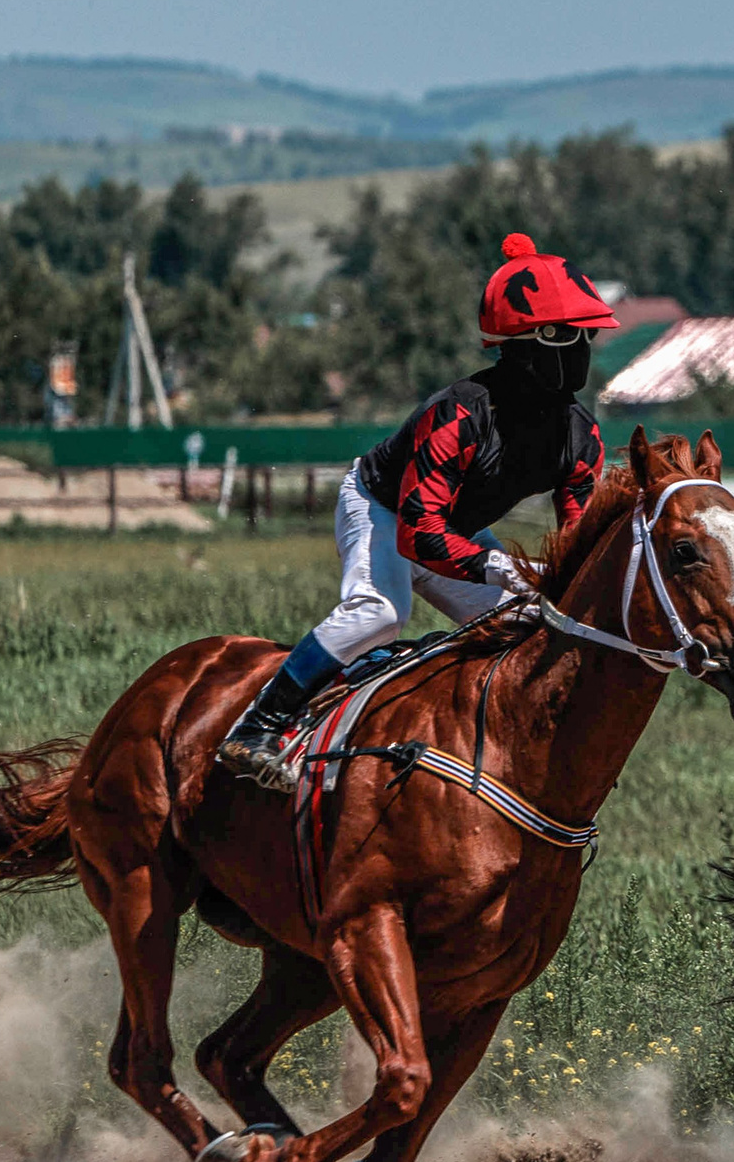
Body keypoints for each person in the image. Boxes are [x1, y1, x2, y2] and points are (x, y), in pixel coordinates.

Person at [216, 233, 615, 792]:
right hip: (382, 508)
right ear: (518, 343)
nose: (577, 350)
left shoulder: (581, 437)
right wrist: (501, 568)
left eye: (584, 335)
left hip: (455, 528)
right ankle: (256, 727)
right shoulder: (458, 414)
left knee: (530, 624)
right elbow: (417, 534)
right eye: (559, 335)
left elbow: (577, 540)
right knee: (379, 611)